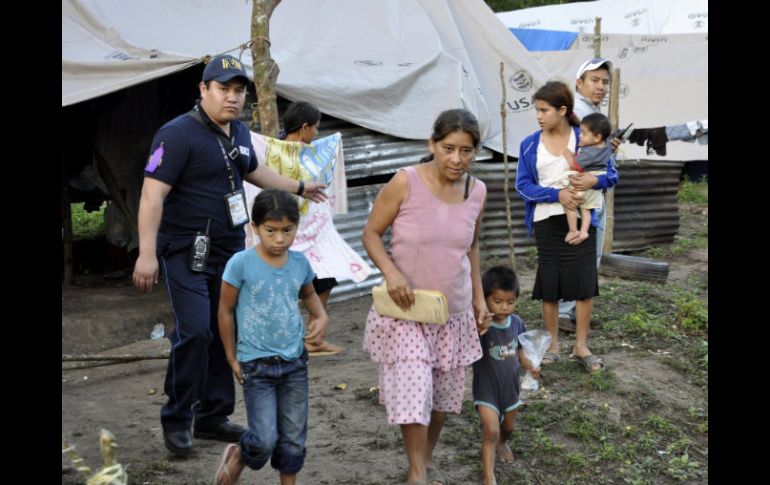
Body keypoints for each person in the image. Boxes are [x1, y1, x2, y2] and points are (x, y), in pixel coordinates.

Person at [132, 54, 327, 456]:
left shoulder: (237, 132)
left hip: (227, 249)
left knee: (227, 327)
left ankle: (213, 416)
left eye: (239, 91)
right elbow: (153, 194)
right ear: (203, 90)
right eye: (224, 89)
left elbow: (254, 171)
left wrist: (299, 186)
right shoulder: (176, 134)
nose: (233, 97)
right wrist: (146, 253)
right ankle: (178, 417)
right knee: (196, 330)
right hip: (184, 250)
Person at [362, 109, 492, 485]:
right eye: (448, 148)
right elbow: (371, 232)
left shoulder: (477, 191)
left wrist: (479, 299)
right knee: (414, 386)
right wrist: (391, 272)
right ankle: (416, 471)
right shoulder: (406, 183)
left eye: (466, 151)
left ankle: (425, 455)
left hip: (453, 311)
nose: (456, 159)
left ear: (475, 152)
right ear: (432, 144)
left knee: (441, 400)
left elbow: (472, 245)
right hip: (407, 310)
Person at [213, 188, 329, 485]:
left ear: (296, 227)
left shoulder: (300, 263)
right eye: (271, 231)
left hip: (294, 363)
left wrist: (321, 315)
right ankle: (241, 453)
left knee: (293, 436)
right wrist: (230, 357)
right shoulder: (240, 263)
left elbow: (309, 293)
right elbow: (225, 311)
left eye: (287, 230)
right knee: (263, 439)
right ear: (255, 228)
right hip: (256, 365)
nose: (280, 239)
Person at [245, 100, 373, 357]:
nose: (316, 133)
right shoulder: (276, 150)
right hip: (288, 233)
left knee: (323, 281)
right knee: (291, 287)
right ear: (304, 128)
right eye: (314, 128)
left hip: (308, 235)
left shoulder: (299, 151)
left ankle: (312, 339)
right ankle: (288, 341)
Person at [515, 81, 617, 373]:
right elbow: (522, 186)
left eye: (544, 110)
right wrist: (554, 194)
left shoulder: (584, 136)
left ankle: (581, 345)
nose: (539, 116)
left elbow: (611, 174)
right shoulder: (530, 144)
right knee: (551, 284)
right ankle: (553, 344)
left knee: (584, 284)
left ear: (563, 110)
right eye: (537, 110)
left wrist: (593, 181)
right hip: (547, 220)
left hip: (585, 219)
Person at [558, 57, 621, 332]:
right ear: (579, 83)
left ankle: (573, 311)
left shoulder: (595, 116)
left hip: (594, 191)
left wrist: (607, 152)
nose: (601, 86)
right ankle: (562, 311)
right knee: (577, 251)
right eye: (594, 80)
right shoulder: (572, 117)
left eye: (605, 82)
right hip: (579, 193)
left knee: (589, 254)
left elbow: (599, 161)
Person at [473, 266, 539, 485]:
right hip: (486, 389)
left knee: (508, 428)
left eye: (510, 302)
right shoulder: (482, 325)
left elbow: (520, 352)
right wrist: (477, 328)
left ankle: (503, 442)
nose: (504, 307)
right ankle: (489, 476)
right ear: (485, 299)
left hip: (511, 389)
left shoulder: (517, 323)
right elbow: (468, 348)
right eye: (498, 302)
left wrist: (530, 366)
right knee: (491, 430)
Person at [560, 113, 612, 245]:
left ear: (597, 137)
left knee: (571, 205)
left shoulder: (589, 152)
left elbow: (575, 165)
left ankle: (573, 230)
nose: (580, 135)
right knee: (586, 209)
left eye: (583, 133)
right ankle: (584, 231)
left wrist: (567, 154)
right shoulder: (606, 145)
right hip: (596, 187)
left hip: (584, 181)